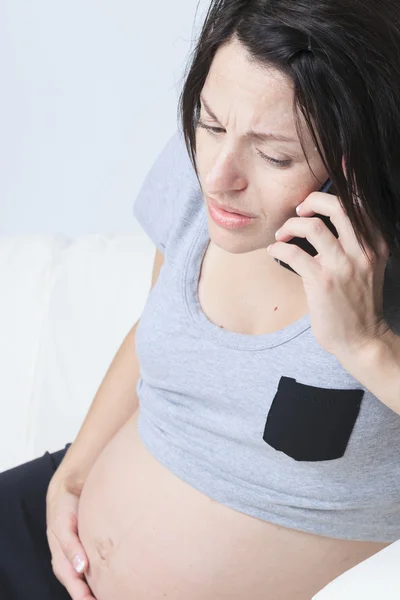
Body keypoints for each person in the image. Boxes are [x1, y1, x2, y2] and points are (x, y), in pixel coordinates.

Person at [1, 0, 400, 598]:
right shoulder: (212, 175)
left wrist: (365, 344)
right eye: (210, 123)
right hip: (54, 534)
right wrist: (73, 475)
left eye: (275, 155)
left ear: (353, 159)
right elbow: (152, 328)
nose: (218, 176)